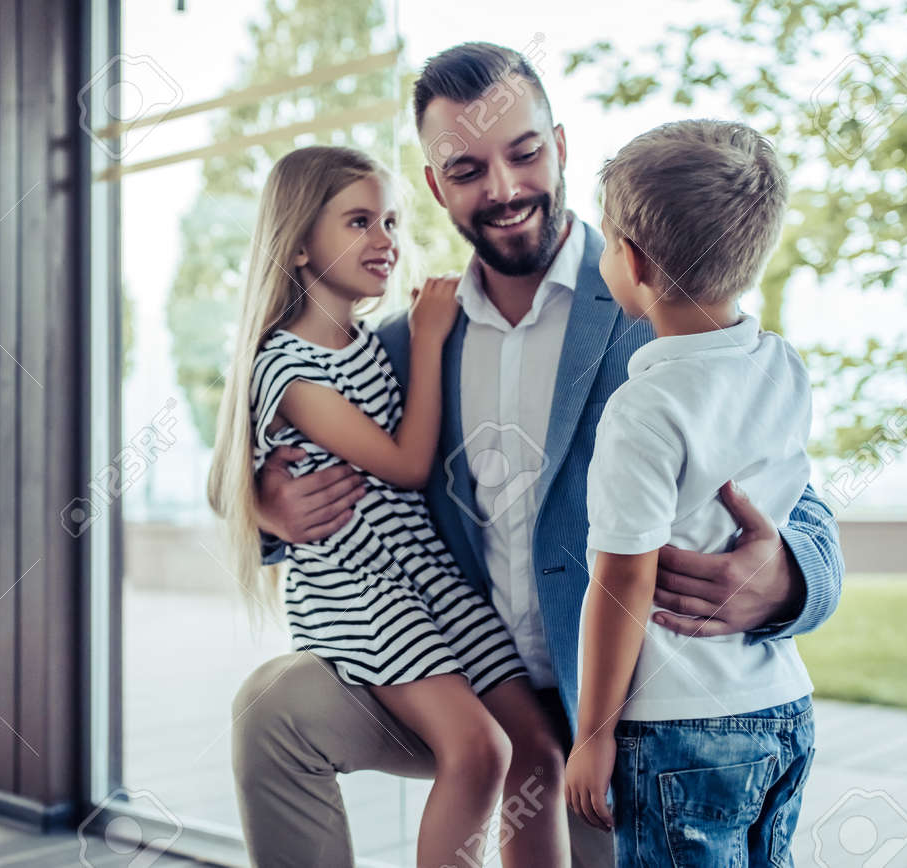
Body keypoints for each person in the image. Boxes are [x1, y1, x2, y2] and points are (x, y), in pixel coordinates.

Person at [234, 42, 844, 868]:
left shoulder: (662, 295)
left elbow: (798, 499)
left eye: (523, 154)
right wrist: (267, 505)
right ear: (434, 186)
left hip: (623, 701)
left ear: (560, 146)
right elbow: (301, 431)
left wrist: (787, 577)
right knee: (272, 710)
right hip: (463, 669)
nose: (504, 188)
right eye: (467, 169)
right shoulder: (412, 339)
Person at [208, 143, 568, 868]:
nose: (386, 242)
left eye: (392, 222)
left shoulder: (372, 344)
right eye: (359, 222)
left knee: (539, 748)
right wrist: (432, 338)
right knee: (477, 751)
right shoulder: (288, 363)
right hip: (363, 591)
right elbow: (404, 465)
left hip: (432, 580)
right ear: (300, 245)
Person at [564, 119, 818, 866]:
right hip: (781, 708)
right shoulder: (784, 366)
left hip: (679, 730)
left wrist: (593, 734)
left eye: (608, 241)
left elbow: (620, 580)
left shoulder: (644, 408)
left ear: (634, 262)